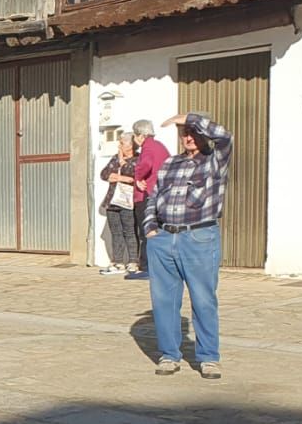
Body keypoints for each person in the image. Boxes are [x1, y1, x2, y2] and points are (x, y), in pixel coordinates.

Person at [142, 112, 234, 380]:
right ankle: (169, 355)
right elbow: (154, 196)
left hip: (199, 238)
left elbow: (225, 137)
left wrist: (190, 118)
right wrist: (150, 227)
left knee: (203, 300)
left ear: (204, 134)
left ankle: (208, 357)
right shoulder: (171, 163)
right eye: (184, 132)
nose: (189, 137)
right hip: (163, 238)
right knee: (164, 301)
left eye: (194, 132)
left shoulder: (214, 160)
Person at [128, 119, 171, 281]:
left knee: (146, 231)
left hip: (147, 194)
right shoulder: (160, 147)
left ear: (140, 135)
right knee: (158, 231)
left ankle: (147, 267)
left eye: (135, 136)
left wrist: (138, 177)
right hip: (162, 195)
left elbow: (144, 165)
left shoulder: (148, 148)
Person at [99, 132, 139, 276]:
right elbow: (104, 174)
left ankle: (133, 261)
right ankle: (118, 261)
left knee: (130, 231)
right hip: (112, 201)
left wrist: (118, 173)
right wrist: (123, 178)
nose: (119, 145)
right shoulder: (115, 158)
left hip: (128, 201)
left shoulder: (138, 158)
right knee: (115, 232)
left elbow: (133, 174)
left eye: (122, 143)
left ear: (130, 145)